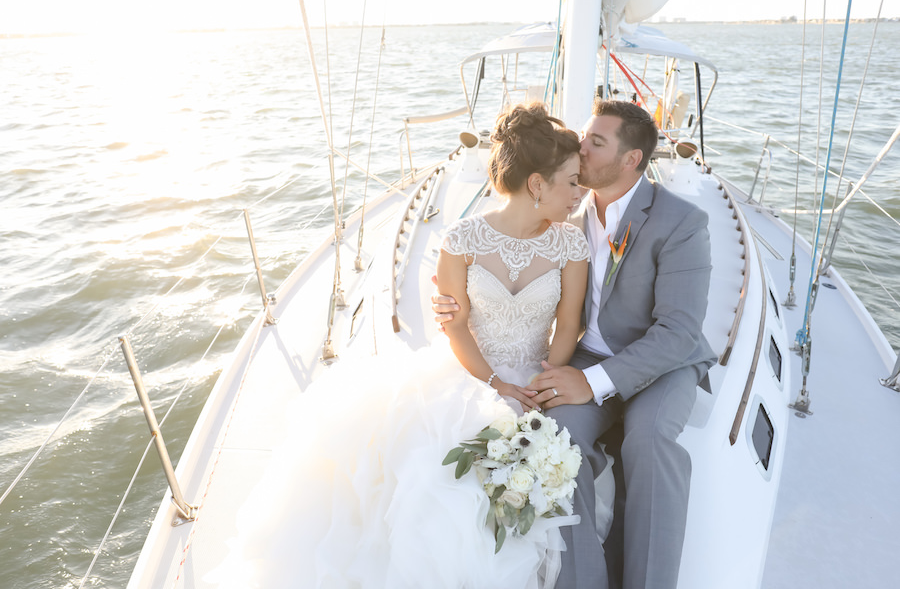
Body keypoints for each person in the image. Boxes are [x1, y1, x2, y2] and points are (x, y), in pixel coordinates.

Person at [210, 102, 603, 589]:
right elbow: (456, 328)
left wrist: (543, 386)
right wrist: (496, 383)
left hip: (536, 375)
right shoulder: (460, 240)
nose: (579, 193)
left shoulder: (570, 244)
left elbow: (567, 326)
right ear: (537, 184)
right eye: (571, 180)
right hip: (471, 374)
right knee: (438, 487)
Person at [433, 99, 716, 589]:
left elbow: (679, 332)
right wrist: (453, 309)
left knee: (648, 441)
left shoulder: (682, 222)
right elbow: (501, 245)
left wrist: (592, 382)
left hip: (664, 362)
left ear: (631, 160)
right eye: (585, 137)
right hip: (587, 354)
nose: (581, 149)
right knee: (557, 438)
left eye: (596, 142)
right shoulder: (567, 214)